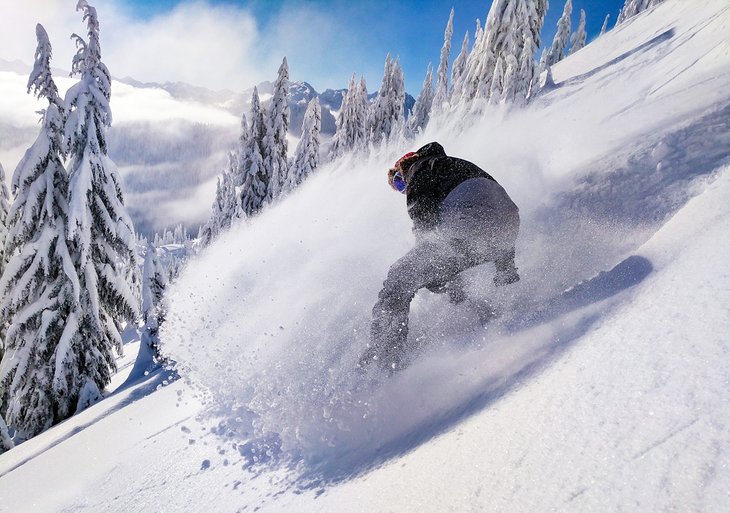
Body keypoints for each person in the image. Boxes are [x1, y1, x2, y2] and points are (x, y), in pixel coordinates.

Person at [359, 142, 520, 372]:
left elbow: (425, 228)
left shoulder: (420, 169)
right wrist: (506, 266)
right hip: (506, 228)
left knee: (399, 277)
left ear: (405, 166)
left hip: (472, 224)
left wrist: (430, 272)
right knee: (445, 270)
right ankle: (481, 314)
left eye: (398, 182)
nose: (403, 189)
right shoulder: (453, 166)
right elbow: (496, 209)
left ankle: (382, 360)